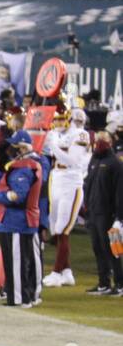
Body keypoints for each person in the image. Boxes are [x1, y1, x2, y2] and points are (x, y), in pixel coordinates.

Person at [0, 140, 44, 307]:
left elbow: (18, 196)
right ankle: (29, 294)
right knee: (24, 260)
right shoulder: (29, 166)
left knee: (16, 261)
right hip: (24, 219)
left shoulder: (23, 169)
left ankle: (20, 297)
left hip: (16, 221)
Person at [43, 106, 92, 288]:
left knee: (63, 228)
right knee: (56, 227)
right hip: (56, 178)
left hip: (72, 181)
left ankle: (56, 272)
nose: (59, 123)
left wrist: (53, 145)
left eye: (80, 120)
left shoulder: (81, 135)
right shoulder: (58, 132)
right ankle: (66, 271)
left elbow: (72, 160)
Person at [83, 130, 123, 294]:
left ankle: (120, 284)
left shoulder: (115, 163)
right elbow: (88, 185)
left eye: (103, 139)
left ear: (110, 142)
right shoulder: (93, 160)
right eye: (98, 139)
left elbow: (120, 192)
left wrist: (119, 217)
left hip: (109, 214)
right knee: (98, 248)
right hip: (94, 212)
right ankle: (103, 283)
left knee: (113, 249)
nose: (99, 142)